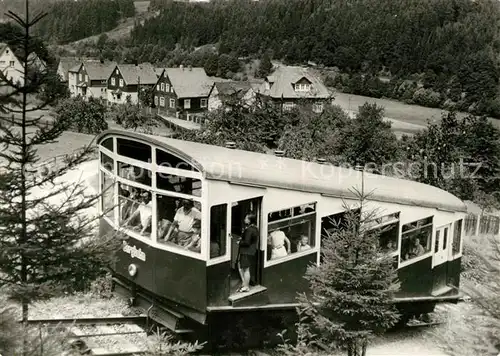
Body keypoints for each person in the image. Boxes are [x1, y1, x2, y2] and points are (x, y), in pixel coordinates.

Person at [237, 213, 259, 293]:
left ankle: (246, 286)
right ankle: (244, 284)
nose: (244, 220)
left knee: (246, 269)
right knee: (243, 267)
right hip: (251, 252)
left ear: (250, 220)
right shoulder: (255, 228)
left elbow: (247, 242)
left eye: (246, 218)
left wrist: (239, 242)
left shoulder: (249, 229)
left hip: (246, 252)